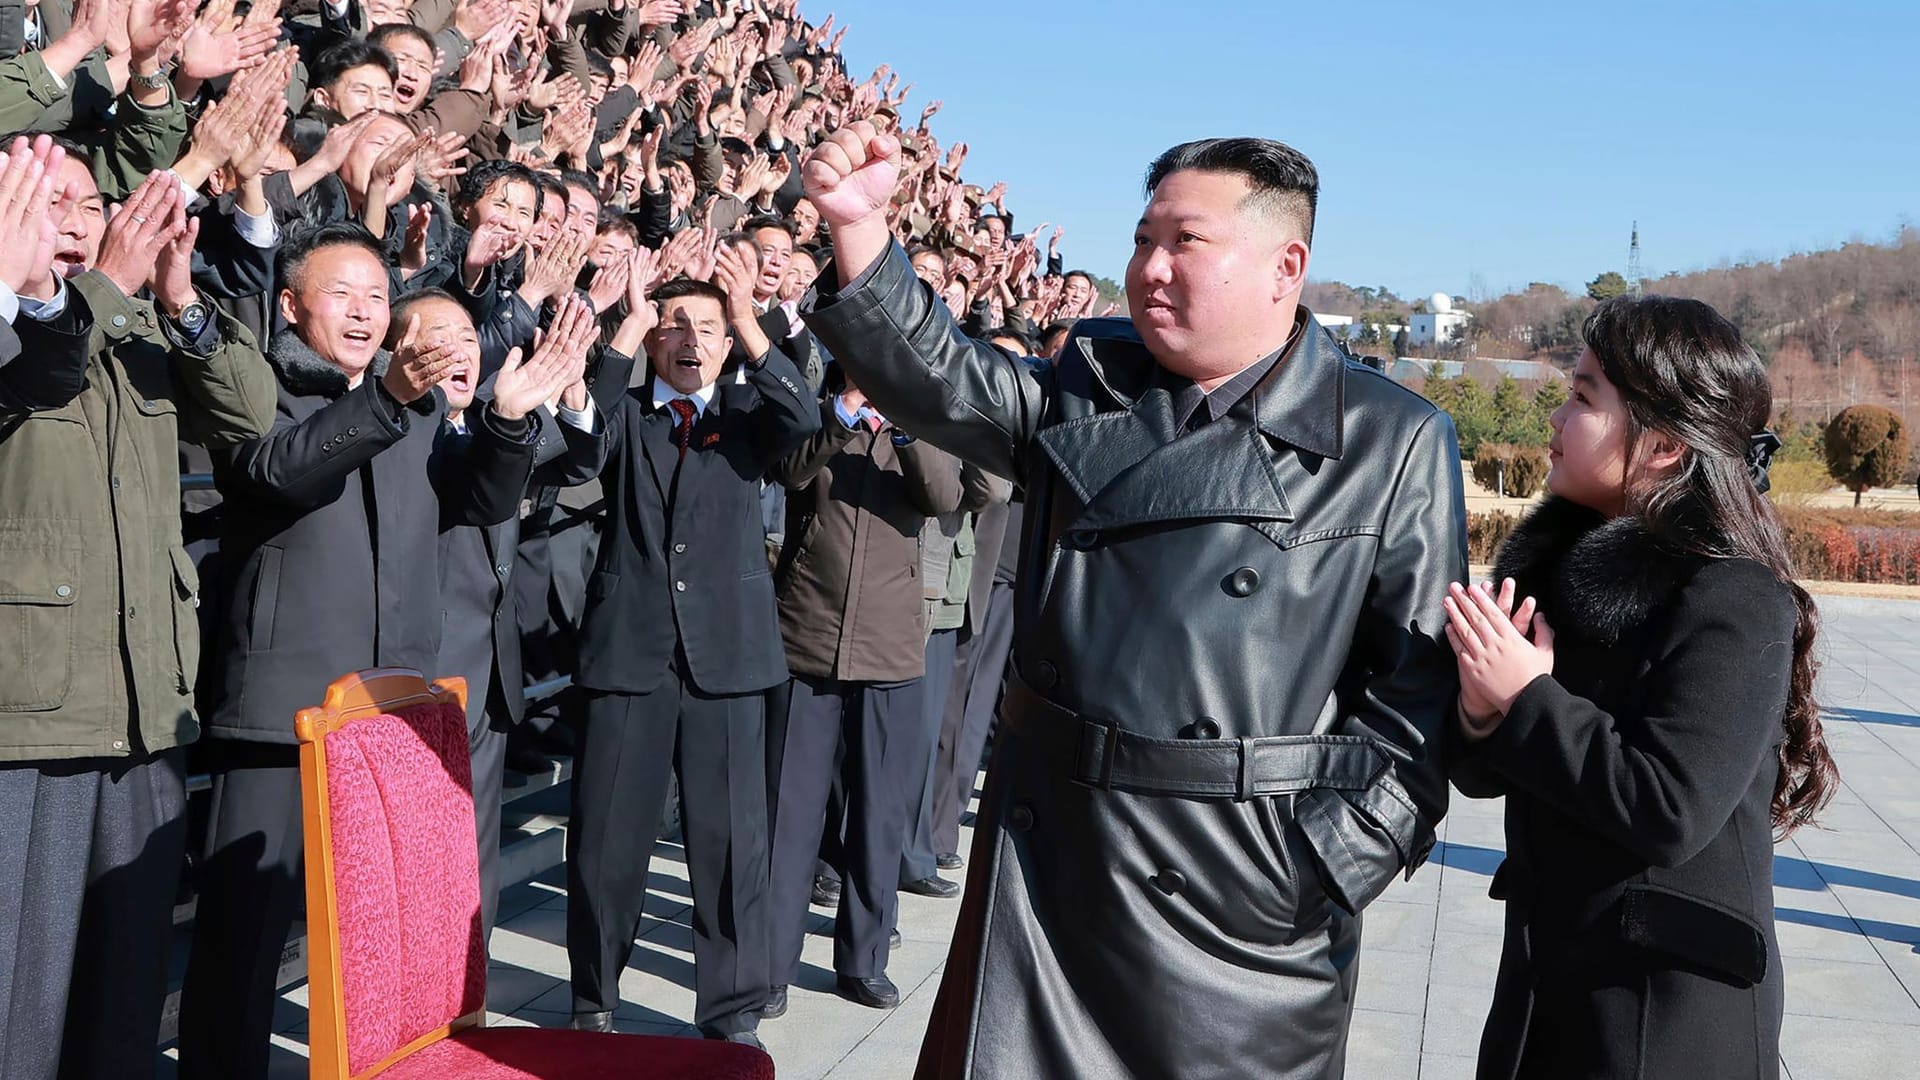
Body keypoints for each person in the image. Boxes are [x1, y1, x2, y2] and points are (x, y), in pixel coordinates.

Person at [801, 127, 1466, 1078]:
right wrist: (862, 233)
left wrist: (1325, 868)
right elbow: (950, 385)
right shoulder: (1093, 380)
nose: (1150, 268)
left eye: (1184, 242)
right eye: (1142, 239)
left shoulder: (1388, 439)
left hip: (1241, 902)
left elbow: (1418, 696)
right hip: (1056, 865)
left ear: (1288, 265)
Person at [178, 223, 572, 1080]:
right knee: (244, 940)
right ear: (290, 306)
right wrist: (389, 398)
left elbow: (477, 501)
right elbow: (282, 470)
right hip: (285, 711)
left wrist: (508, 422)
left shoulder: (421, 406)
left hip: (392, 707)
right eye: (342, 294)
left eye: (376, 296)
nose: (363, 311)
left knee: (380, 940)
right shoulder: (260, 384)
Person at [1445, 295, 1837, 1080]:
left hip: (1666, 1011)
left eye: (1583, 397)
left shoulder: (1732, 596)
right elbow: (1492, 771)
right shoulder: (1569, 577)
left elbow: (1669, 808)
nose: (1554, 419)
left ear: (1660, 445)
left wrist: (1527, 697)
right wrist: (1482, 710)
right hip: (1546, 983)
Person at [0, 141, 277, 1080]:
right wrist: (103, 296)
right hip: (30, 718)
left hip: (147, 704)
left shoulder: (131, 324)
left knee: (121, 999)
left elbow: (249, 416)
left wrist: (181, 301)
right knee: (18, 1006)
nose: (80, 219)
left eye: (90, 201)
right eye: (51, 198)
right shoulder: (18, 324)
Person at [548, 258, 818, 1049]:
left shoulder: (747, 412)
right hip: (629, 655)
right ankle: (593, 998)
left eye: (707, 327)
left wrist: (747, 318)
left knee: (733, 847)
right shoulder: (624, 410)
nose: (690, 339)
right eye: (675, 326)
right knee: (604, 843)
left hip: (729, 662)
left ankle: (731, 1013)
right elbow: (577, 451)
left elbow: (803, 421)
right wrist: (624, 330)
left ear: (728, 341)